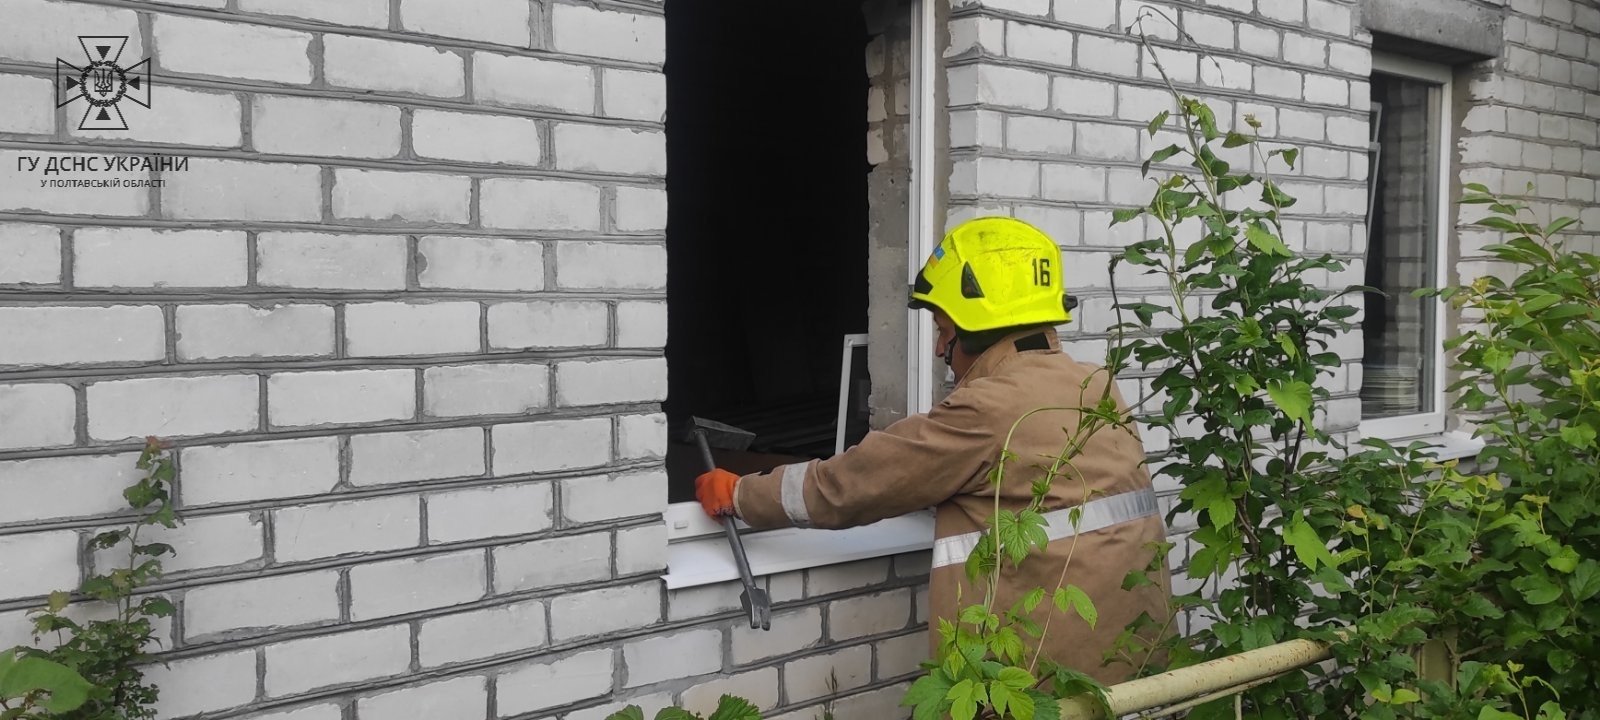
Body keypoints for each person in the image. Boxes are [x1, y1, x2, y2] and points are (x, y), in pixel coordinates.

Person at [694, 216, 1170, 683]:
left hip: (1037, 681)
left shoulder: (988, 408)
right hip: (1135, 661)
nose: (940, 348)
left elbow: (854, 483)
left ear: (977, 329)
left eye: (943, 329)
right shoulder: (1097, 385)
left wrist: (741, 494)